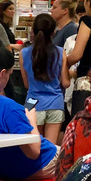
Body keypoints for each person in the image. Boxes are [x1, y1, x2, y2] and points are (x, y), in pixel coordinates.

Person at [0, 46, 58, 180]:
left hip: (2, 169)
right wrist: (31, 118)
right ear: (2, 73)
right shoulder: (8, 108)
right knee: (79, 156)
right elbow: (34, 152)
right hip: (39, 165)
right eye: (9, 74)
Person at [20, 14, 70, 145]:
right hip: (55, 103)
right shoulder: (60, 52)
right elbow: (65, 83)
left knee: (34, 146)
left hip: (33, 103)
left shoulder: (24, 53)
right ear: (53, 32)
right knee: (51, 149)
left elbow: (26, 85)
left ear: (33, 30)